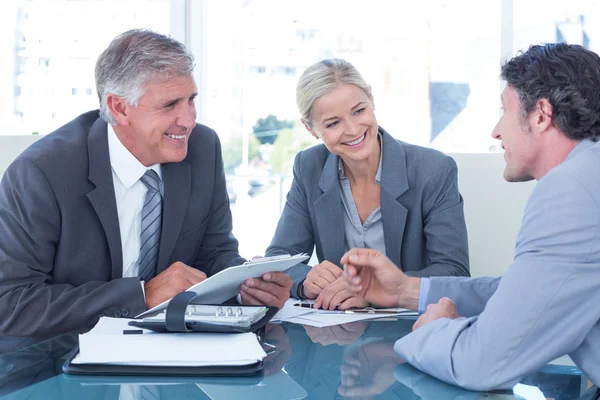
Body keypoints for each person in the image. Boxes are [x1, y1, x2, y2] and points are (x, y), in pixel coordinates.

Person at [341, 43, 600, 390]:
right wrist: (408, 290)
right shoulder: (588, 173)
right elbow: (529, 292)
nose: (496, 131)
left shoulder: (570, 190)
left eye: (504, 110)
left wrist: (439, 327)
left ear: (541, 114)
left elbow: (482, 364)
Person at [0, 29, 291, 337]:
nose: (189, 119)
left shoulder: (202, 147)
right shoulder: (42, 173)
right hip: (61, 363)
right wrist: (142, 295)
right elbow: (11, 303)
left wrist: (247, 286)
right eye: (170, 105)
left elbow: (214, 255)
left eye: (191, 99)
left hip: (172, 354)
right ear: (119, 108)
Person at [266, 59, 470, 309]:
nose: (352, 129)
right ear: (310, 129)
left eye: (359, 111)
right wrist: (304, 280)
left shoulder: (433, 170)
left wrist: (377, 290)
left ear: (371, 99)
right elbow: (278, 259)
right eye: (333, 123)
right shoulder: (309, 166)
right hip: (338, 330)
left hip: (410, 327)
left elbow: (454, 272)